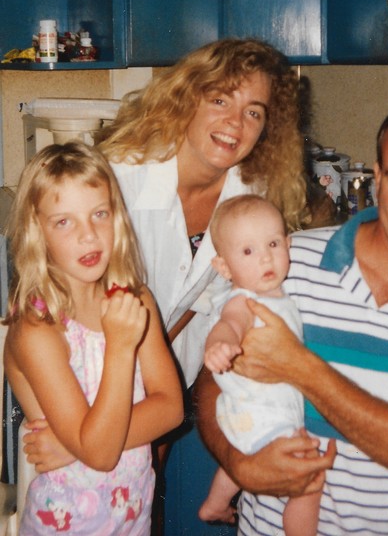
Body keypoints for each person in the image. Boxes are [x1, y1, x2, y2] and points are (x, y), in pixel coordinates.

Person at [196, 96, 388, 534]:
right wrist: (238, 463)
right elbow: (214, 380)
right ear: (377, 178)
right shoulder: (286, 262)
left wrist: (302, 369)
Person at [98, 37, 308, 387]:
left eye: (253, 112)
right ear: (187, 100)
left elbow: (208, 297)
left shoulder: (251, 198)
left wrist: (158, 375)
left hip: (170, 376)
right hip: (95, 372)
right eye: (220, 100)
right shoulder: (118, 180)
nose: (235, 122)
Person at [3, 142, 184, 534]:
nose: (89, 236)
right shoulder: (39, 330)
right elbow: (100, 454)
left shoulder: (135, 299)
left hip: (132, 519)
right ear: (37, 232)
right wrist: (120, 347)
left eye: (99, 214)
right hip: (66, 525)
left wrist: (73, 446)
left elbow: (171, 408)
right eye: (64, 222)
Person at [198, 194, 321, 534]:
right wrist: (219, 345)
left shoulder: (278, 296)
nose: (266, 257)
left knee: (248, 452)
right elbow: (230, 323)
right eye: (248, 251)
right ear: (224, 268)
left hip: (254, 411)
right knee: (309, 482)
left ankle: (216, 502)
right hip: (261, 410)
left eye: (273, 244)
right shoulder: (244, 299)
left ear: (288, 245)